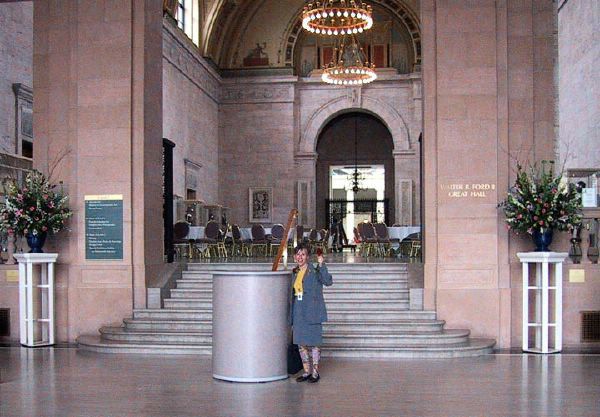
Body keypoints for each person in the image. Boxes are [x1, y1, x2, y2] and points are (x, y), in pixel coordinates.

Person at [289, 243, 333, 383]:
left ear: (308, 257)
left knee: (314, 343)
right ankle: (306, 371)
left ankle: (315, 372)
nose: (300, 257)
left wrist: (322, 264)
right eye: (298, 254)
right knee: (301, 343)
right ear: (294, 257)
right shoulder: (294, 272)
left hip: (313, 310)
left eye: (303, 254)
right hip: (299, 311)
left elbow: (328, 281)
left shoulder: (315, 271)